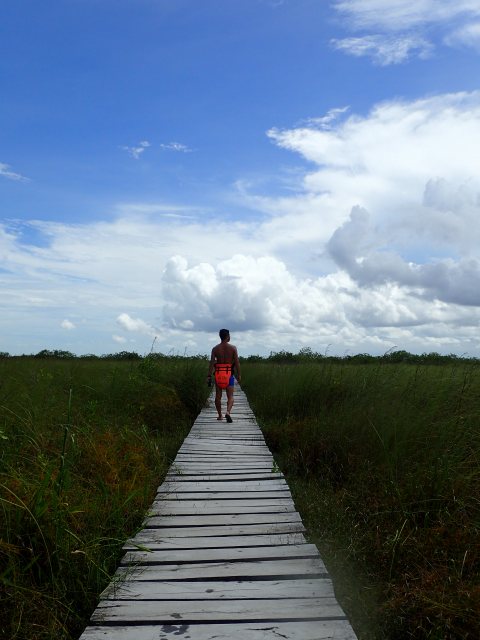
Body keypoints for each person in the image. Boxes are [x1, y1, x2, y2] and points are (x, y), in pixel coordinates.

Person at [207, 328, 241, 422]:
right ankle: (228, 412)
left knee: (218, 396)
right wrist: (239, 374)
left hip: (218, 374)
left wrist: (209, 375)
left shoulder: (215, 349)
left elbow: (212, 363)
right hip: (229, 374)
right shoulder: (233, 348)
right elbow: (237, 362)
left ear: (220, 336)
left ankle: (220, 415)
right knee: (230, 396)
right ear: (228, 336)